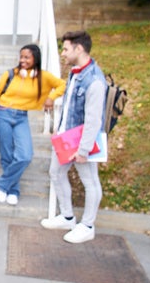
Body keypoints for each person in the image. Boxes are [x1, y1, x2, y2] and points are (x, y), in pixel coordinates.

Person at [40, 30, 106, 244]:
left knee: (90, 181)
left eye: (66, 49)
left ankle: (87, 226)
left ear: (79, 48)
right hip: (65, 138)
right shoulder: (75, 73)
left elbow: (93, 119)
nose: (63, 53)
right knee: (56, 173)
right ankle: (68, 217)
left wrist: (84, 150)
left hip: (81, 141)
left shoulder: (94, 80)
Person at [0, 44, 66, 205]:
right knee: (7, 155)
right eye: (21, 57)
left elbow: (62, 84)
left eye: (27, 57)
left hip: (21, 117)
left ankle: (3, 184)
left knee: (25, 155)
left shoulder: (43, 76)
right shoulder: (10, 74)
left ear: (35, 58)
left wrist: (51, 97)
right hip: (3, 113)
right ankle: (13, 190)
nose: (23, 60)